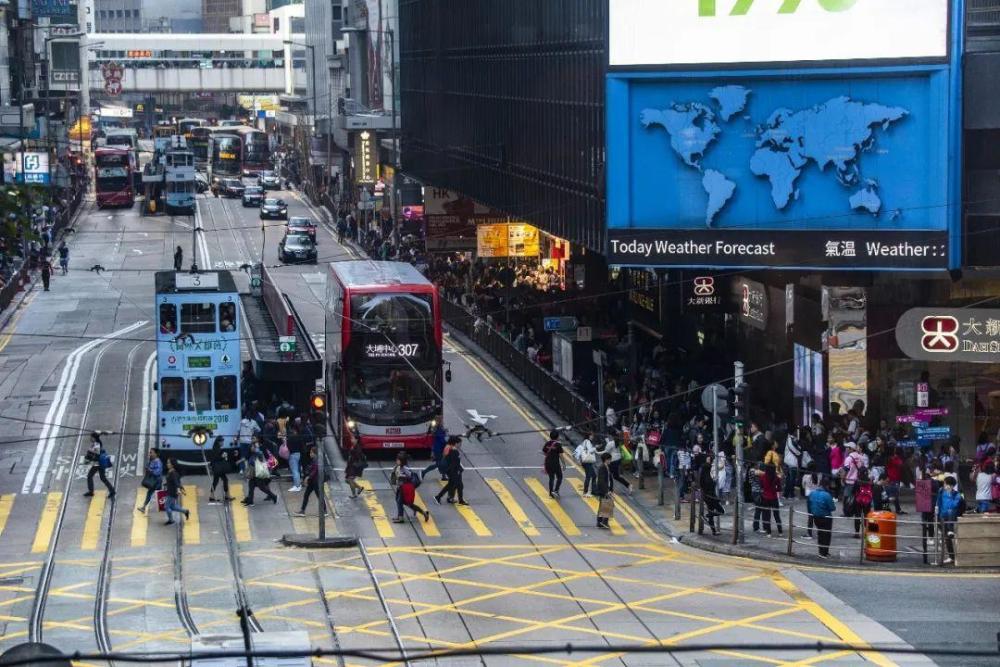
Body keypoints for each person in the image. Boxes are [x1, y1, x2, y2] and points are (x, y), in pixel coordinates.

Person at [391, 452, 430, 523]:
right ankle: (423, 513)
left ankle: (400, 517)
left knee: (400, 501)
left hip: (404, 488)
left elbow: (410, 476)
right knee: (406, 502)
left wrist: (401, 477)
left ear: (401, 461)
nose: (396, 461)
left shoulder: (404, 468)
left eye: (398, 460)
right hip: (401, 487)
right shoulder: (399, 467)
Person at [936, 475, 963, 564]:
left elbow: (954, 505)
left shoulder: (957, 495)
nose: (945, 486)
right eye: (945, 484)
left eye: (947, 484)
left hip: (951, 518)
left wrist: (950, 495)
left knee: (952, 538)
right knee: (946, 538)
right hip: (942, 517)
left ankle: (956, 556)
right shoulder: (941, 492)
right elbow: (938, 502)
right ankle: (951, 557)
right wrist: (937, 512)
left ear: (952, 485)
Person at [807, 479, 837, 559]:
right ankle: (824, 552)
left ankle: (821, 551)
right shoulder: (827, 495)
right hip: (826, 517)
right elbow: (833, 508)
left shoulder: (812, 493)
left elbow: (809, 505)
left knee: (820, 533)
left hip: (816, 517)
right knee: (826, 535)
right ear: (827, 486)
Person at [83, 432, 116, 498]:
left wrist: (88, 459)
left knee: (90, 476)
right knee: (102, 478)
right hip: (99, 463)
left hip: (98, 464)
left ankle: (91, 491)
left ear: (94, 438)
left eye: (91, 437)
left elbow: (95, 455)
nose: (90, 438)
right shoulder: (97, 443)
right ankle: (112, 491)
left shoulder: (96, 445)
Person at [435, 437, 467, 505]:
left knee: (456, 485)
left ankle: (440, 497)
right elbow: (453, 463)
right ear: (456, 443)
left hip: (453, 471)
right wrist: (457, 470)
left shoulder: (451, 449)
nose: (460, 445)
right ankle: (439, 497)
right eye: (459, 443)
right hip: (454, 471)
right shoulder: (454, 451)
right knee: (455, 485)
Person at [294, 447, 325, 516]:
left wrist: (308, 477)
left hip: (316, 481)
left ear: (315, 453)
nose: (310, 454)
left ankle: (324, 511)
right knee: (306, 495)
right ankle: (302, 511)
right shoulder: (314, 460)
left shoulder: (316, 460)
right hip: (312, 481)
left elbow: (315, 470)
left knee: (319, 496)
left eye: (311, 452)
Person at [699, 455, 724, 536]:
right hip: (711, 497)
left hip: (707, 497)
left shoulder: (703, 476)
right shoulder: (707, 478)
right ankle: (707, 515)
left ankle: (714, 531)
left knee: (711, 515)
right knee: (721, 511)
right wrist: (714, 482)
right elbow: (710, 486)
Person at [755, 464, 783, 536]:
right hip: (774, 498)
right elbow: (779, 489)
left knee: (767, 516)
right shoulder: (776, 478)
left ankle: (769, 532)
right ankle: (780, 531)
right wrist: (774, 489)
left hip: (765, 498)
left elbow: (761, 486)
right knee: (777, 515)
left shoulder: (763, 477)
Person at [163, 459, 190, 526]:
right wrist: (166, 484)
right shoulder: (170, 471)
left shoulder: (173, 473)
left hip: (172, 493)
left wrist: (179, 489)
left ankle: (171, 520)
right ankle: (185, 511)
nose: (167, 464)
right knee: (172, 506)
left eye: (168, 463)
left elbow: (176, 483)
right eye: (167, 463)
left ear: (172, 465)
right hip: (170, 491)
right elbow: (172, 481)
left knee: (166, 506)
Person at [208, 437, 233, 503]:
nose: (222, 443)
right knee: (224, 480)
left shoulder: (216, 448)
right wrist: (223, 456)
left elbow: (213, 458)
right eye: (222, 442)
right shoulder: (217, 449)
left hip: (217, 468)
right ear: (218, 442)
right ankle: (226, 496)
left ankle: (212, 496)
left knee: (216, 481)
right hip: (218, 468)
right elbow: (216, 458)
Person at [574, 431, 598, 497]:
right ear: (589, 436)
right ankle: (586, 492)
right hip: (587, 462)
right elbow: (590, 451)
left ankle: (593, 490)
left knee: (594, 475)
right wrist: (595, 447)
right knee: (589, 476)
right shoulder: (587, 441)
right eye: (592, 435)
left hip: (587, 462)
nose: (593, 437)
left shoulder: (585, 441)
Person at [595, 452, 614, 529]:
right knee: (607, 505)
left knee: (603, 505)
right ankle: (604, 522)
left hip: (606, 489)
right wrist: (606, 491)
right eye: (610, 459)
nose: (610, 461)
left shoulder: (605, 466)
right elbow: (601, 481)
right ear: (606, 460)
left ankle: (599, 522)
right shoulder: (602, 467)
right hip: (604, 490)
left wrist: (610, 489)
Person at [543, 431, 564, 498]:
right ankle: (556, 491)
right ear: (557, 437)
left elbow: (544, 451)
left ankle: (551, 493)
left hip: (548, 463)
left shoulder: (547, 443)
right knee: (560, 477)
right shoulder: (558, 445)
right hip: (555, 463)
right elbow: (561, 455)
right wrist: (564, 464)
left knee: (551, 478)